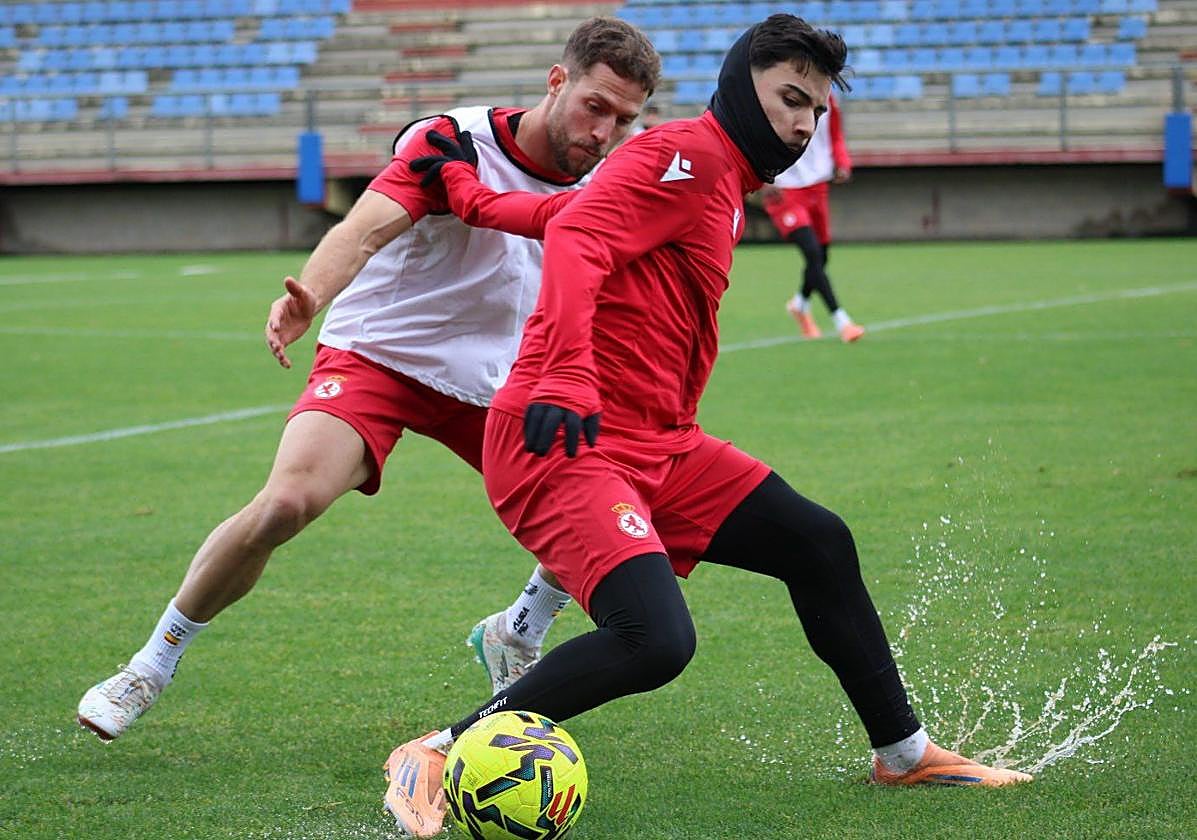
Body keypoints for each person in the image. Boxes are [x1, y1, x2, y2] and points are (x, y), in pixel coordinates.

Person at [381, 14, 1031, 837]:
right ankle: (436, 750)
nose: (803, 123)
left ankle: (904, 755)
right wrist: (569, 373)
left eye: (816, 110)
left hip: (659, 443)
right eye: (789, 98)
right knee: (653, 640)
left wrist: (472, 199)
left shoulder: (715, 174)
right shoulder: (684, 155)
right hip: (568, 435)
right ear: (738, 87)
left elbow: (571, 212)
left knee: (817, 544)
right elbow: (580, 232)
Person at [75, 17, 660, 747]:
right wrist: (311, 297)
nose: (603, 132)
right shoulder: (455, 142)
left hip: (504, 380)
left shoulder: (618, 173)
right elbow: (363, 231)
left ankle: (519, 628)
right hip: (383, 355)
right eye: (594, 106)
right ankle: (150, 665)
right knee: (286, 502)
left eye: (623, 120)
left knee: (612, 500)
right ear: (556, 81)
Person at [761, 90, 865, 342]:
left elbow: (835, 135)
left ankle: (800, 304)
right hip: (785, 190)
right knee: (813, 253)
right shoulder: (778, 93)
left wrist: (842, 162)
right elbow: (757, 136)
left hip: (817, 185)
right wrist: (762, 175)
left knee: (822, 255)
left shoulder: (829, 99)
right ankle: (842, 321)